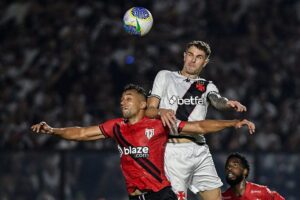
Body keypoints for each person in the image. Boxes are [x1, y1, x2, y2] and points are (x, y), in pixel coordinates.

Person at [31, 84, 255, 200]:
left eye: (128, 98)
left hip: (160, 195)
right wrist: (52, 130)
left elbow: (198, 127)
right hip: (136, 197)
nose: (123, 102)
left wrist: (231, 123)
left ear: (142, 104)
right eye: (121, 99)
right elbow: (81, 134)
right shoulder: (116, 126)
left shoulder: (158, 124)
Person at [146, 40, 247, 200]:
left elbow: (217, 100)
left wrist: (228, 103)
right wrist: (160, 110)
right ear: (184, 56)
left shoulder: (206, 85)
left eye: (199, 57)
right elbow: (149, 111)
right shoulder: (165, 76)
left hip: (200, 150)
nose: (193, 60)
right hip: (172, 151)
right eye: (190, 55)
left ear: (205, 62)